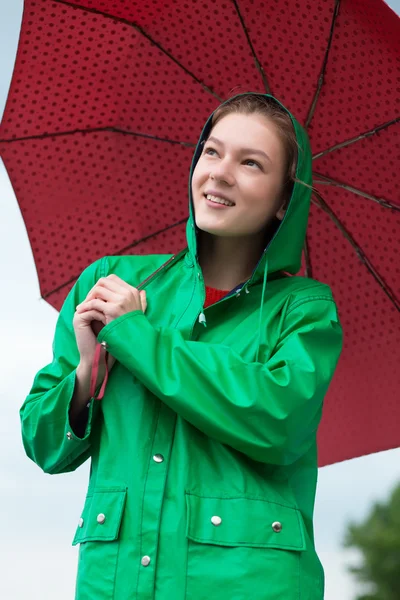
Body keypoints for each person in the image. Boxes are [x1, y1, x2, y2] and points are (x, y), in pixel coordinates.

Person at [20, 92, 343, 600]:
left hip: (249, 586)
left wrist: (135, 337)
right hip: (116, 582)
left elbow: (279, 419)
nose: (220, 173)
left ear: (284, 198)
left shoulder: (303, 310)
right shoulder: (113, 281)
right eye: (212, 152)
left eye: (251, 163)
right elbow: (42, 444)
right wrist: (87, 371)